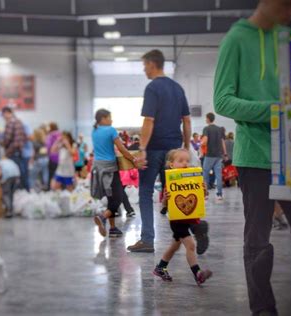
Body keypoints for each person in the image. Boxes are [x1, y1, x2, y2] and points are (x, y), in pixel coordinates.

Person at [214, 1, 291, 314]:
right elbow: (222, 100)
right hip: (255, 156)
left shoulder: (289, 38)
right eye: (287, 4)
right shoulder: (236, 39)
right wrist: (275, 110)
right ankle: (263, 308)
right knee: (257, 239)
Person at [127, 49, 192, 253]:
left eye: (145, 65)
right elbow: (187, 120)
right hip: (174, 149)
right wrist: (186, 148)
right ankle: (186, 233)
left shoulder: (153, 87)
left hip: (154, 147)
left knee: (146, 191)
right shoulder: (177, 88)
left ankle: (147, 240)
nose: (144, 69)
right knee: (175, 192)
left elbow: (149, 120)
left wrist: (142, 148)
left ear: (152, 64)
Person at [152, 148, 212, 285]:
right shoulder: (171, 181)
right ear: (171, 164)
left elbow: (201, 196)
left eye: (187, 161)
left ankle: (161, 267)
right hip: (177, 220)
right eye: (180, 161)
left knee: (175, 245)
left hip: (190, 217)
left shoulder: (192, 178)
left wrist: (203, 190)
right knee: (190, 245)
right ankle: (197, 274)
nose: (185, 163)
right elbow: (164, 206)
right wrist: (165, 199)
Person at [91, 109, 141, 238]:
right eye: (109, 117)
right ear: (103, 118)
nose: (111, 120)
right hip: (110, 169)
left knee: (110, 198)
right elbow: (122, 148)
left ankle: (113, 228)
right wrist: (134, 159)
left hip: (98, 169)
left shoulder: (94, 131)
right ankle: (103, 217)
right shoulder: (111, 130)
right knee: (118, 198)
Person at [201, 113, 228, 201]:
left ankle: (205, 194)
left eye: (206, 118)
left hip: (209, 155)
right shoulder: (220, 129)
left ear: (208, 119)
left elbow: (205, 141)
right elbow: (222, 142)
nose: (205, 120)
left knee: (205, 174)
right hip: (218, 155)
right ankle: (219, 194)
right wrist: (225, 154)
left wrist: (199, 144)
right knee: (218, 175)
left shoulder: (206, 128)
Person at [1, 106, 28, 190]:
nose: (3, 117)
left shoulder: (10, 123)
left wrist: (5, 149)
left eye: (3, 114)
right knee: (22, 173)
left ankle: (16, 194)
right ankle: (25, 192)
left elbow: (7, 139)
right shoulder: (19, 121)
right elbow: (24, 137)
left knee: (13, 176)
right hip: (19, 151)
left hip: (12, 152)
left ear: (7, 113)